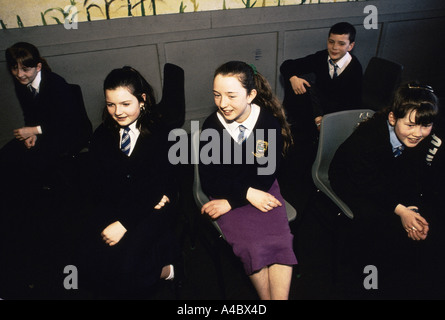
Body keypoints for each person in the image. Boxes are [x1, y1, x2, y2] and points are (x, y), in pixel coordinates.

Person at [329, 82, 444, 298]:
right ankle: (366, 279)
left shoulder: (417, 136)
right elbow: (365, 183)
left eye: (425, 126)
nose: (418, 133)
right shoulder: (368, 139)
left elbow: (413, 175)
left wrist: (412, 208)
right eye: (410, 125)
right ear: (392, 118)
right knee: (374, 220)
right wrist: (400, 210)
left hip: (384, 177)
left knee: (417, 218)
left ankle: (394, 268)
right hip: (352, 181)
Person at [77, 66, 181, 299]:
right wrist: (108, 220)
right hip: (122, 202)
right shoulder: (102, 134)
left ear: (142, 100)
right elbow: (96, 184)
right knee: (89, 260)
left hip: (155, 210)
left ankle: (166, 271)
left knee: (126, 268)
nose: (117, 112)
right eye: (111, 104)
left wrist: (123, 223)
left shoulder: (163, 133)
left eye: (125, 104)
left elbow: (159, 184)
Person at [199, 61, 297, 300]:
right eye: (217, 95)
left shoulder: (267, 124)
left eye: (231, 96)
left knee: (281, 241)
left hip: (262, 189)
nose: (223, 103)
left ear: (251, 94)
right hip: (226, 192)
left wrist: (240, 197)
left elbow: (266, 174)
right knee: (252, 247)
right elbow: (211, 180)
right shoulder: (211, 126)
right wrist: (242, 196)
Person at [278, 21, 363, 215]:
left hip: (338, 118)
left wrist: (322, 119)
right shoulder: (321, 57)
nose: (334, 47)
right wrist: (293, 78)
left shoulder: (355, 70)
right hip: (319, 112)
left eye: (341, 43)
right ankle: (289, 146)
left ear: (351, 46)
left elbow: (349, 107)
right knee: (299, 92)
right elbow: (287, 65)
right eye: (331, 41)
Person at [1, 42, 92, 191]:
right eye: (14, 68)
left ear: (38, 67)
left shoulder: (56, 84)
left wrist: (34, 131)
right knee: (6, 156)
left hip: (70, 132)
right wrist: (31, 135)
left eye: (25, 69)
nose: (19, 74)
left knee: (32, 163)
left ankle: (52, 193)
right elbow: (29, 114)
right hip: (45, 131)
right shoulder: (21, 83)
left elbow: (67, 123)